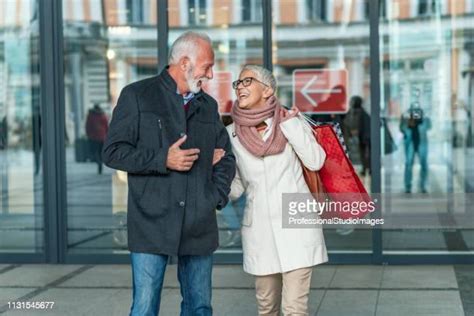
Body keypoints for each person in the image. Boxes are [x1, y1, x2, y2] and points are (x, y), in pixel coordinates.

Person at [102, 31, 236, 316]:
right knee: (144, 307)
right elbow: (113, 152)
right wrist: (164, 158)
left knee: (200, 307)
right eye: (207, 66)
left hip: (199, 223)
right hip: (151, 222)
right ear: (185, 63)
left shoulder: (207, 106)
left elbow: (227, 158)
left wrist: (213, 197)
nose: (211, 75)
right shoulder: (137, 95)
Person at [226, 65, 328, 316]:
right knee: (266, 307)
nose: (240, 87)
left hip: (296, 226)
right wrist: (213, 178)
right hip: (259, 230)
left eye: (247, 81)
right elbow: (237, 186)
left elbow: (316, 161)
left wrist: (291, 125)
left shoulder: (291, 122)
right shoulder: (231, 134)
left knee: (294, 308)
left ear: (268, 90)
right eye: (238, 83)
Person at [400, 104, 431, 193]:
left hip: (422, 142)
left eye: (417, 112)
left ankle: (423, 185)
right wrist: (409, 123)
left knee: (424, 164)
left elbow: (429, 126)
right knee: (409, 164)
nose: (416, 114)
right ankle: (408, 186)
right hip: (410, 143)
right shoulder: (406, 117)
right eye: (414, 112)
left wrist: (420, 121)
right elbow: (402, 128)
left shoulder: (424, 117)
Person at [342, 96, 371, 175]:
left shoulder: (358, 113)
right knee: (363, 153)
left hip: (360, 137)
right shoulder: (361, 112)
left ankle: (366, 168)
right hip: (357, 137)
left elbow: (350, 123)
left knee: (364, 153)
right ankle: (366, 168)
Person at [85, 104, 108, 174]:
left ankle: (99, 162)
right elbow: (106, 126)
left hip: (93, 137)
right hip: (102, 137)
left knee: (95, 152)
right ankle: (100, 161)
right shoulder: (103, 115)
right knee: (100, 151)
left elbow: (88, 126)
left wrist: (88, 134)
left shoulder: (91, 116)